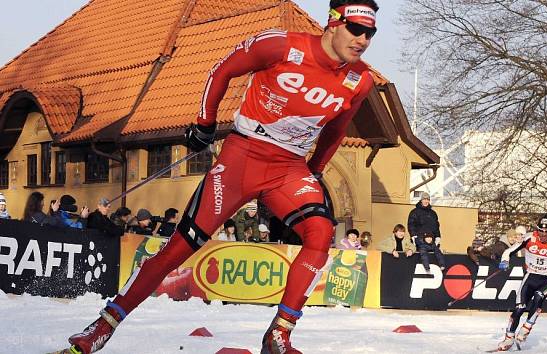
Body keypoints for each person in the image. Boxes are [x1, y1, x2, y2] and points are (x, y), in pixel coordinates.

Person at [65, 1, 379, 353]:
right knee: (180, 247)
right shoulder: (281, 45)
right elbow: (222, 69)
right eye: (356, 29)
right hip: (243, 157)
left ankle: (279, 335)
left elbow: (336, 129)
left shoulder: (360, 79)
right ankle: (103, 325)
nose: (363, 39)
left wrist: (316, 170)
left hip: (289, 168)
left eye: (370, 33)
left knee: (320, 232)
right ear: (333, 24)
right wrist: (204, 122)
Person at [496, 214, 547, 351]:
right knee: (519, 308)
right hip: (530, 276)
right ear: (537, 229)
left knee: (539, 297)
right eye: (541, 231)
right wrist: (505, 261)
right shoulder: (528, 237)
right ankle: (509, 337)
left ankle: (526, 329)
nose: (544, 235)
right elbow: (508, 251)